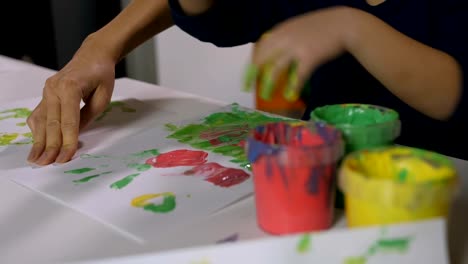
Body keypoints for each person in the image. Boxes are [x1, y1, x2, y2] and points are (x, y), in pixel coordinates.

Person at [26, 0, 468, 166]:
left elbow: (456, 97)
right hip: (332, 177)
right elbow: (217, 16)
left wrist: (353, 28)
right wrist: (101, 44)